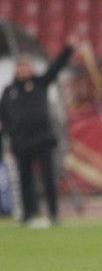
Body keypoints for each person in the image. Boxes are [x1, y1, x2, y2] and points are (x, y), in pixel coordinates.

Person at [0, 38, 77, 227]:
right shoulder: (9, 91)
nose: (23, 70)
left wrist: (68, 49)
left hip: (42, 140)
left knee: (48, 178)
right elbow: (5, 117)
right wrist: (9, 137)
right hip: (20, 142)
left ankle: (53, 213)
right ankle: (28, 214)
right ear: (16, 70)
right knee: (24, 180)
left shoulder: (40, 83)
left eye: (26, 66)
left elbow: (55, 68)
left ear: (31, 69)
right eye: (20, 67)